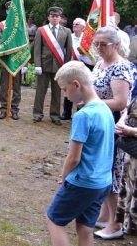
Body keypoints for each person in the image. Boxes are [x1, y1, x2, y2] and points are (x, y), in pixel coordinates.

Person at [46, 61, 114, 246]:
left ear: (76, 84)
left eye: (65, 89)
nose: (65, 95)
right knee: (85, 227)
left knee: (55, 220)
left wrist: (64, 176)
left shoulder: (83, 116)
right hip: (102, 182)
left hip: (82, 183)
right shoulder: (105, 109)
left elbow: (74, 158)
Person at [88, 27, 133, 240]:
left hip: (113, 125)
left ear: (116, 45)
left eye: (103, 44)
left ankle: (114, 224)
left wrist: (91, 102)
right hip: (100, 122)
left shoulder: (120, 68)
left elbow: (120, 102)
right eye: (96, 44)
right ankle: (105, 214)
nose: (98, 48)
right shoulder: (100, 63)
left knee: (112, 173)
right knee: (102, 168)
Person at [33, 6, 73, 125]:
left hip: (59, 66)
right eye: (52, 16)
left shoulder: (66, 31)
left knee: (57, 92)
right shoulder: (41, 30)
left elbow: (69, 50)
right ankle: (37, 114)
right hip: (44, 65)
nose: (54, 18)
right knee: (40, 91)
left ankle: (55, 115)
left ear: (60, 18)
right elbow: (37, 48)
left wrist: (65, 66)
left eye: (57, 16)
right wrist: (37, 64)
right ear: (48, 17)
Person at [61, 18, 95, 120]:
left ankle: (79, 112)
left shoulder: (88, 40)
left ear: (83, 27)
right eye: (74, 23)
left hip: (84, 66)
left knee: (81, 88)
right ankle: (66, 112)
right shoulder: (69, 37)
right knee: (68, 87)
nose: (74, 25)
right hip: (70, 65)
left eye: (77, 24)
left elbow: (93, 57)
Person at [0, 1, 26, 120]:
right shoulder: (2, 26)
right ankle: (4, 109)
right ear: (7, 11)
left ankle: (14, 109)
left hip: (17, 60)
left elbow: (25, 45)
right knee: (4, 87)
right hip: (6, 59)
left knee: (17, 87)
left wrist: (25, 63)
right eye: (9, 11)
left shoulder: (21, 26)